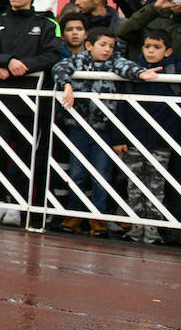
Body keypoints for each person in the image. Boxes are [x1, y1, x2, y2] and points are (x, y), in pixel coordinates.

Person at [0, 0, 61, 226]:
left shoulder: (46, 25)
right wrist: (4, 62)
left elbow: (54, 54)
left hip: (30, 101)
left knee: (25, 155)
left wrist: (24, 64)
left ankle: (17, 204)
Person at [51, 28, 157, 234]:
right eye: (103, 45)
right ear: (89, 45)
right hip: (79, 127)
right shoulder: (77, 60)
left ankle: (98, 217)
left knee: (102, 174)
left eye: (111, 45)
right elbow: (59, 68)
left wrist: (141, 72)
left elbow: (125, 66)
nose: (108, 49)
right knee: (77, 173)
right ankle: (74, 214)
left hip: (104, 129)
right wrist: (67, 85)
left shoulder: (114, 62)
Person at [117, 28, 181, 244]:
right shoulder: (132, 70)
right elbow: (121, 106)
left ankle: (152, 231)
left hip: (161, 141)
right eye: (147, 46)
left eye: (157, 47)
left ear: (168, 51)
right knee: (133, 185)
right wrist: (119, 138)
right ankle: (135, 229)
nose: (151, 51)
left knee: (156, 186)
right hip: (134, 140)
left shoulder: (175, 69)